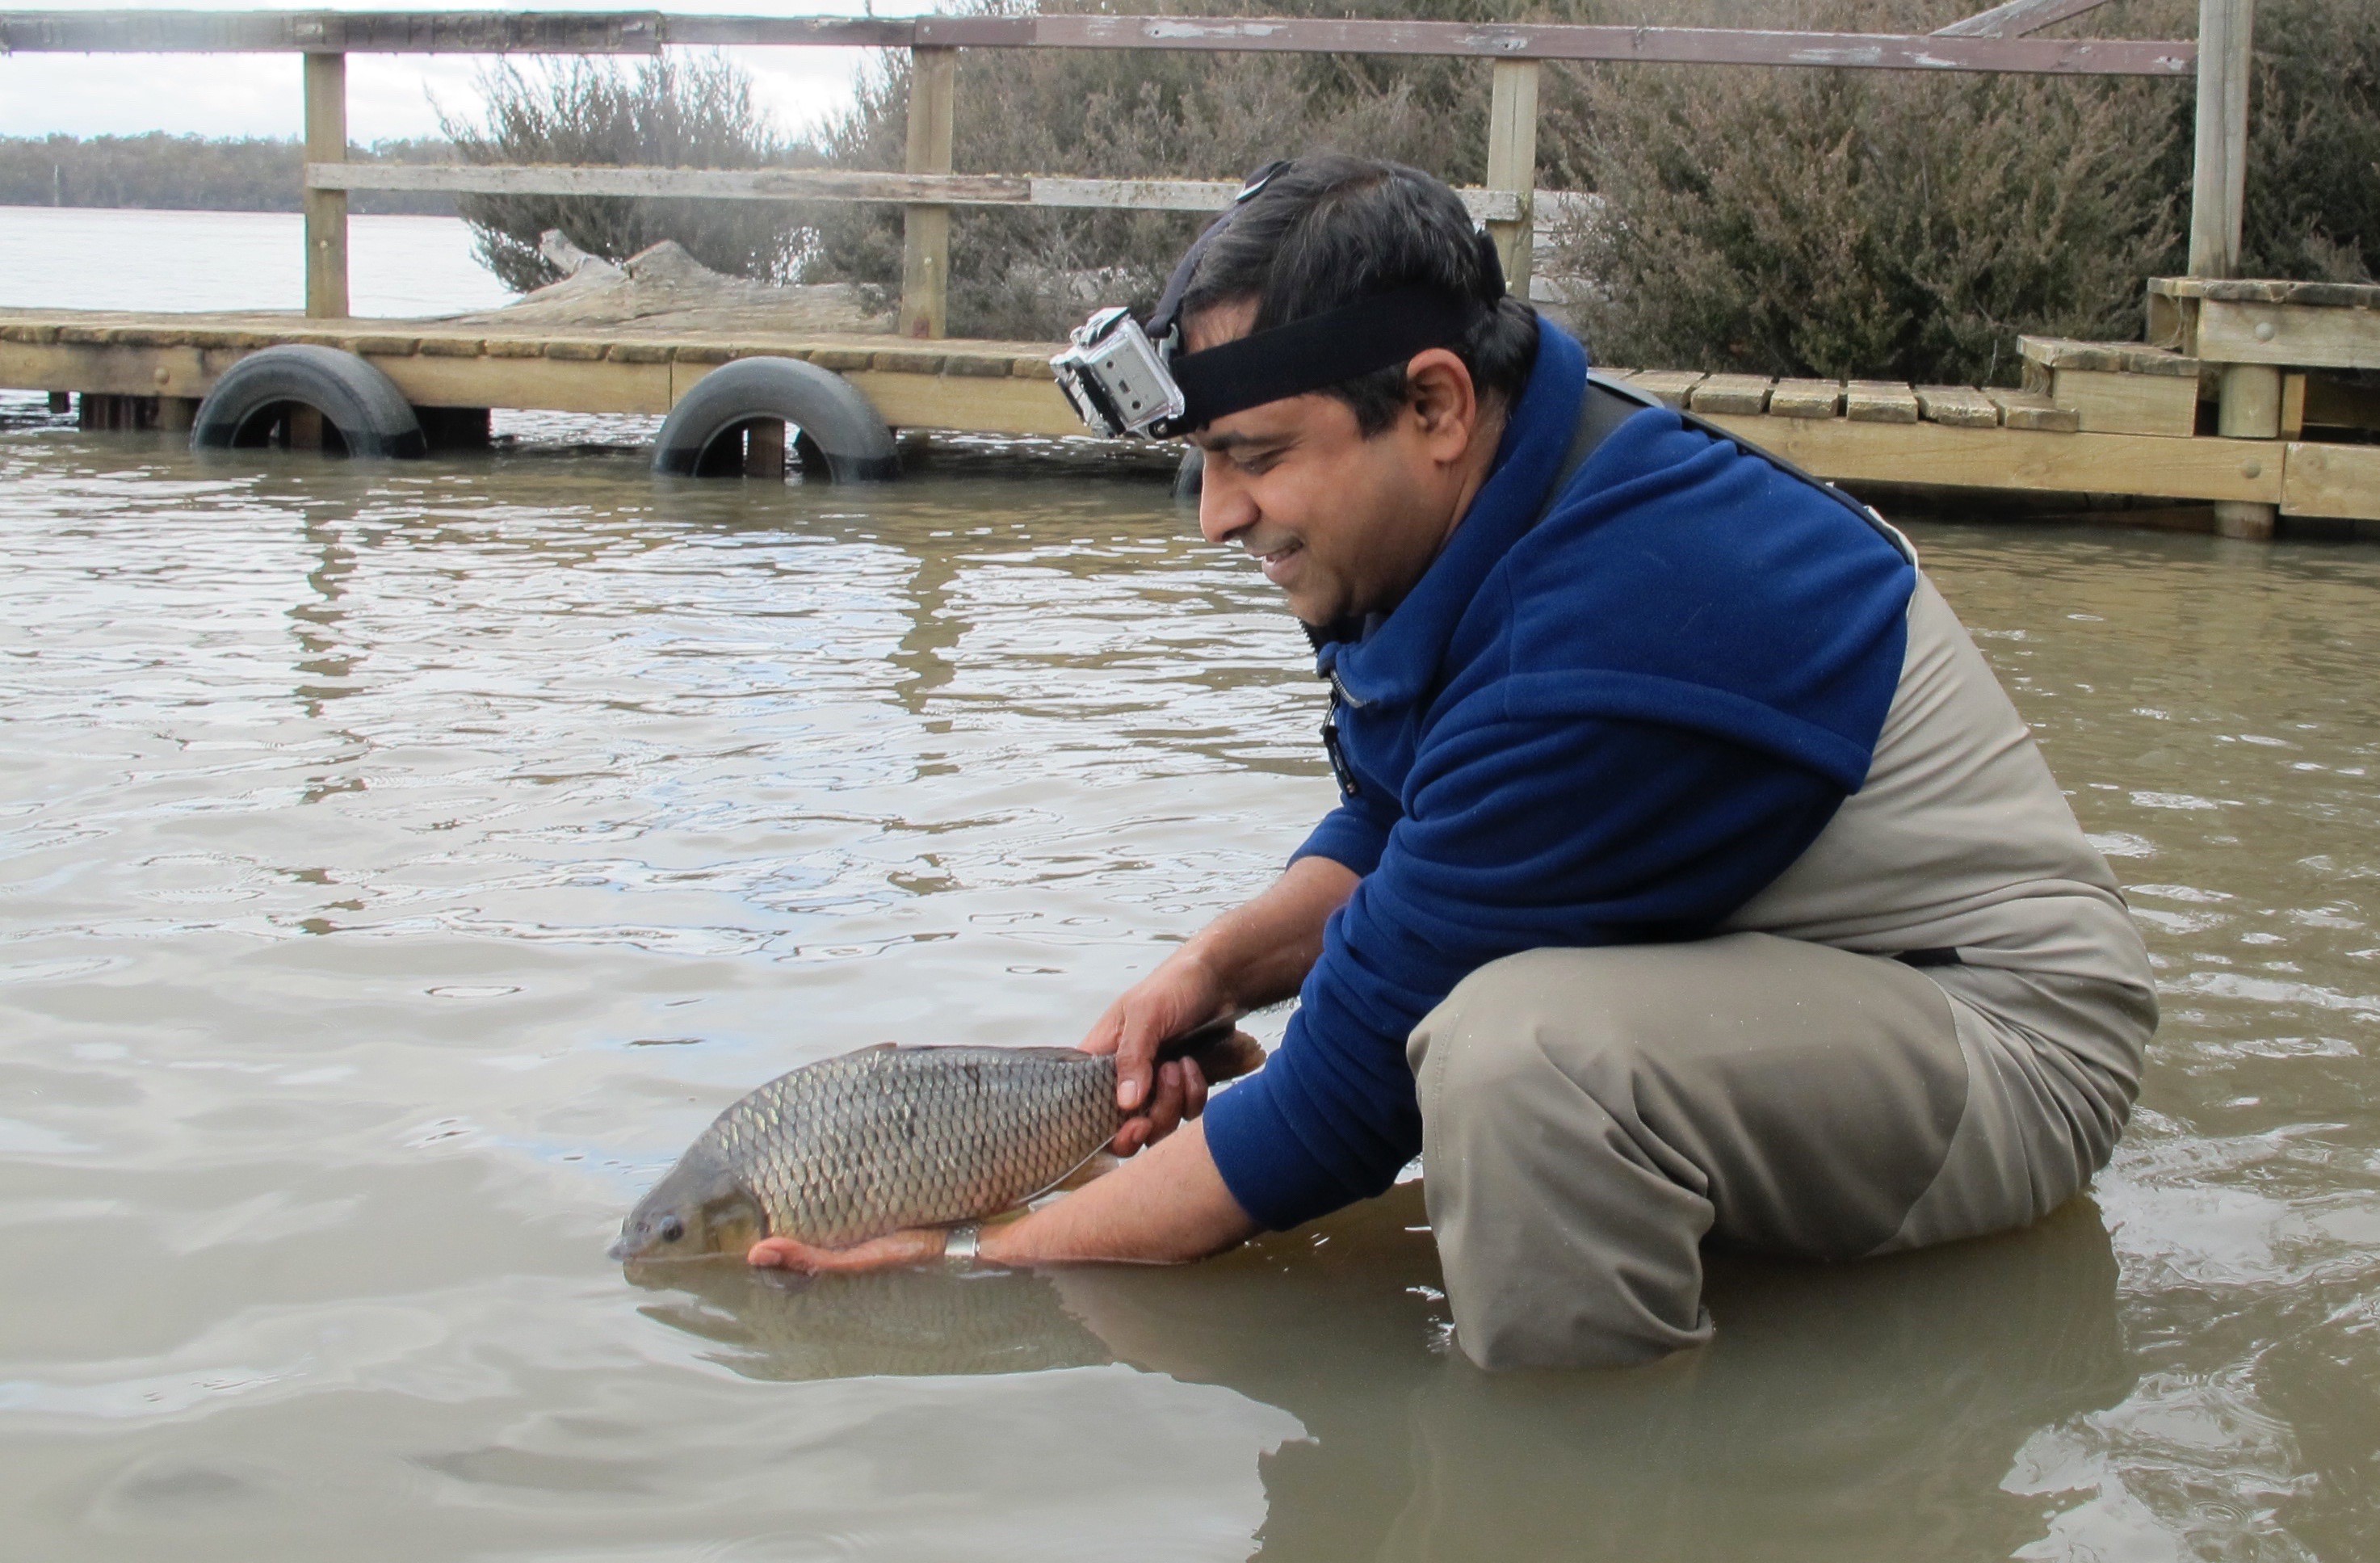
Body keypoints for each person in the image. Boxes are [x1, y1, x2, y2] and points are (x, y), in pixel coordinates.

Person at [749, 155, 2156, 1371]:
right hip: (1813, 982)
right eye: (1203, 462)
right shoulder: (1484, 501)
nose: (1215, 516)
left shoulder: (1610, 620)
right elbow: (1397, 815)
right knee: (1492, 1034)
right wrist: (1216, 971)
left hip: (2006, 1039)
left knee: (1516, 1070)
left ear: (1430, 405)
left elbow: (1340, 1103)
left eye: (1254, 456)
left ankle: (1572, 1478)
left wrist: (981, 1264)